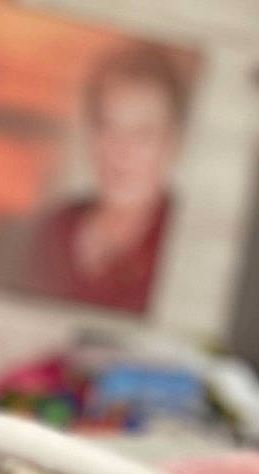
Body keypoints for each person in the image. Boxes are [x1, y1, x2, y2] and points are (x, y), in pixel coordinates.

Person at [24, 42, 190, 314]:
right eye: (108, 126)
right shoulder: (57, 227)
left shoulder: (182, 241)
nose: (121, 152)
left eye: (142, 133)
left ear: (172, 142)